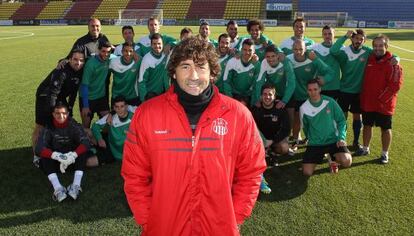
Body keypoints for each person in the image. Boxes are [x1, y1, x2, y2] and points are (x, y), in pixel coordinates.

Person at [121, 37, 266, 235]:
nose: (194, 75)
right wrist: (150, 221)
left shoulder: (238, 115)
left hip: (218, 228)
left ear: (213, 73)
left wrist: (235, 216)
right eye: (185, 66)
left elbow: (251, 172)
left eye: (201, 67)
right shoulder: (147, 114)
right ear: (173, 72)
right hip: (164, 227)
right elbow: (134, 175)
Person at [357, 34, 403, 164]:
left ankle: (384, 154)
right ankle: (365, 148)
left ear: (386, 46)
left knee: (385, 129)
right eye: (375, 46)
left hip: (384, 104)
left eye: (380, 46)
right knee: (367, 125)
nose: (377, 48)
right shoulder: (369, 59)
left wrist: (382, 100)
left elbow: (395, 85)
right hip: (368, 101)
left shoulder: (393, 63)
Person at [33, 49, 85, 156]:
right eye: (75, 59)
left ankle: (58, 148)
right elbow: (52, 94)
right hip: (45, 95)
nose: (78, 63)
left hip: (60, 96)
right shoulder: (61, 71)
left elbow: (74, 92)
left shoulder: (80, 70)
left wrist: (70, 108)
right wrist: (51, 113)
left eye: (81, 60)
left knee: (66, 120)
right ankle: (36, 155)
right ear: (69, 60)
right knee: (41, 125)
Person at [35, 103, 91, 202]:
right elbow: (39, 148)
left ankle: (76, 186)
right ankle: (57, 188)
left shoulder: (73, 125)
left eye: (64, 113)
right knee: (45, 157)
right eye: (57, 113)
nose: (61, 116)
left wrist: (73, 155)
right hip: (56, 163)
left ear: (68, 113)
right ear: (53, 114)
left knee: (83, 152)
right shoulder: (48, 127)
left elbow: (86, 142)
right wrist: (56, 156)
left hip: (71, 161)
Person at [287, 39, 333, 153]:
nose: (298, 52)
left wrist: (325, 79)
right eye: (295, 49)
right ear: (292, 49)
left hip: (310, 95)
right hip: (295, 95)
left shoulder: (313, 59)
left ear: (305, 48)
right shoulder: (288, 59)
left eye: (301, 49)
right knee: (296, 119)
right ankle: (296, 140)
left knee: (313, 119)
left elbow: (330, 72)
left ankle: (314, 141)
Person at [300, 79, 352, 176]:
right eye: (310, 90)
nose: (313, 92)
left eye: (315, 89)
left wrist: (341, 137)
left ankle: (332, 158)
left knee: (346, 161)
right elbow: (305, 128)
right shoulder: (303, 108)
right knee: (307, 172)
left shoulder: (330, 102)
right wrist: (312, 139)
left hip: (333, 141)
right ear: (307, 91)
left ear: (320, 89)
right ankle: (327, 156)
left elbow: (341, 120)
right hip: (316, 143)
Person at [252, 83, 290, 164]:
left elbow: (286, 129)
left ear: (275, 96)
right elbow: (252, 128)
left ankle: (271, 151)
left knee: (284, 148)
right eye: (265, 94)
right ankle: (265, 152)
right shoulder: (256, 109)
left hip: (274, 139)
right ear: (261, 96)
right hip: (260, 139)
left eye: (270, 94)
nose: (267, 97)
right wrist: (262, 140)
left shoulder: (280, 108)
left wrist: (272, 141)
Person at [91, 96, 135, 163]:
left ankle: (93, 150)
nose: (119, 109)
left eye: (122, 106)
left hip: (124, 153)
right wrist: (99, 139)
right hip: (110, 147)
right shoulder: (111, 118)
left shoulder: (135, 116)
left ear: (126, 106)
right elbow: (95, 126)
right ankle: (91, 149)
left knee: (90, 162)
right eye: (117, 107)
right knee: (87, 132)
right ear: (114, 108)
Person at [79, 40, 112, 128]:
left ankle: (102, 140)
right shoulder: (91, 64)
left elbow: (122, 55)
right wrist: (85, 106)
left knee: (108, 122)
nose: (106, 54)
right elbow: (84, 85)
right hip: (88, 98)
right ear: (98, 50)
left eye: (108, 52)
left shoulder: (110, 58)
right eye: (103, 51)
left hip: (101, 98)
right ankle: (85, 141)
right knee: (86, 126)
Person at [223, 39, 261, 106]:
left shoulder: (257, 64)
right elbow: (226, 81)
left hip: (248, 95)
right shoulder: (233, 61)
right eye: (245, 50)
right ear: (241, 50)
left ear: (254, 51)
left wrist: (254, 101)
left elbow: (257, 84)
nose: (247, 52)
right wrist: (230, 99)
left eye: (250, 50)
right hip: (234, 94)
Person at [310, 25, 341, 100]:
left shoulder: (341, 48)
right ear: (322, 35)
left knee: (332, 110)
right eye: (325, 34)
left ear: (334, 34)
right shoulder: (315, 48)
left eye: (330, 34)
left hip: (335, 86)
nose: (327, 36)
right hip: (320, 86)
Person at [137, 33, 170, 102]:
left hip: (163, 94)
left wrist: (170, 44)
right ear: (151, 45)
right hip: (150, 95)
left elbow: (179, 41)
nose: (157, 46)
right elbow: (141, 82)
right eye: (154, 44)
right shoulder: (147, 59)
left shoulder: (166, 54)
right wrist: (144, 100)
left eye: (159, 43)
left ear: (163, 44)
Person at [110, 42, 141, 106]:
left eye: (131, 51)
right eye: (125, 51)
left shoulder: (138, 61)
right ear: (121, 51)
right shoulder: (113, 62)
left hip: (133, 96)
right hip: (117, 96)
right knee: (115, 116)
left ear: (134, 52)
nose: (128, 53)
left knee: (134, 116)